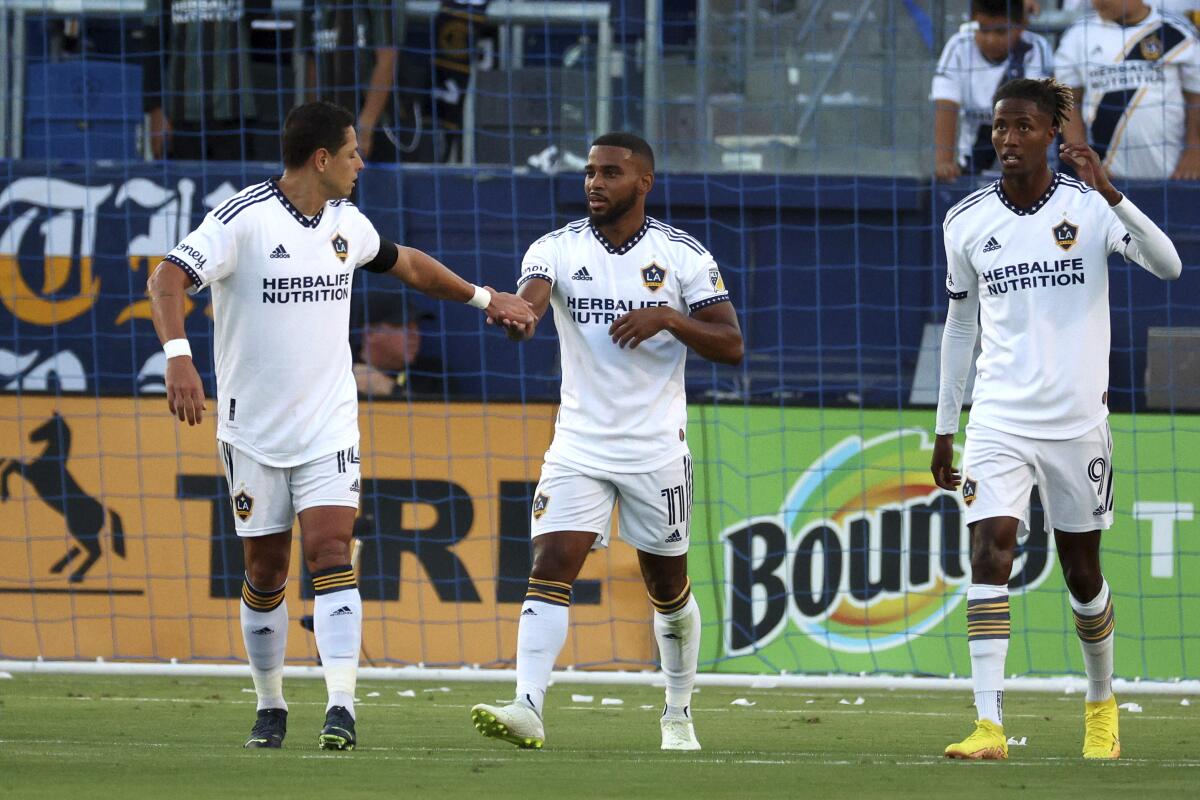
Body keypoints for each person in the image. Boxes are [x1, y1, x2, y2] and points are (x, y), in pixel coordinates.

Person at [147, 101, 532, 750]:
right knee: (266, 570)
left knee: (331, 554)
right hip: (253, 431)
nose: (362, 162)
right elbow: (166, 279)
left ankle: (342, 708)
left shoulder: (345, 223)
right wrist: (179, 360)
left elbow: (408, 264)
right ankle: (270, 705)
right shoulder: (243, 219)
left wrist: (486, 298)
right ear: (321, 159)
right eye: (353, 151)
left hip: (330, 427)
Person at [931, 77, 1181, 761]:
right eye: (998, 128)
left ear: (1051, 133)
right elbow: (960, 329)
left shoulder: (1090, 209)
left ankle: (1102, 705)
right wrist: (945, 427)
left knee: (1081, 573)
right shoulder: (967, 220)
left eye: (1022, 127)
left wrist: (1111, 192)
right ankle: (988, 724)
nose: (1007, 139)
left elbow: (1170, 266)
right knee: (989, 551)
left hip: (1077, 425)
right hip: (999, 420)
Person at [468, 133, 744, 752]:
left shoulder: (683, 257)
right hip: (578, 446)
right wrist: (520, 318)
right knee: (550, 565)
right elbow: (533, 302)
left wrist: (669, 317)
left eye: (610, 173)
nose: (595, 182)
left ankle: (677, 712)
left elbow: (732, 344)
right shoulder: (556, 248)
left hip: (656, 450)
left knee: (667, 588)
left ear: (643, 182)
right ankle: (527, 706)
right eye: (590, 172)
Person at [1055, 0, 1200, 180]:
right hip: (1107, 178)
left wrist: (1195, 150)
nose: (1097, 2)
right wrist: (1082, 160)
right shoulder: (1077, 35)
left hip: (1171, 174)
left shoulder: (1177, 32)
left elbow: (1196, 96)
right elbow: (1067, 103)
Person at [140, 0, 293, 161]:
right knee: (184, 183)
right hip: (181, 115)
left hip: (233, 112)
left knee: (235, 184)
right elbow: (152, 44)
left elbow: (261, 7)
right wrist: (155, 111)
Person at [933, 0, 1054, 181]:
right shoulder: (959, 47)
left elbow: (1039, 112)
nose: (990, 39)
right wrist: (944, 162)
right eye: (983, 29)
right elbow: (946, 106)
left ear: (1021, 27)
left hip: (1029, 161)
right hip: (973, 163)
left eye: (1000, 32)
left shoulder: (1036, 48)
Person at [302, 0, 405, 163]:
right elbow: (312, 64)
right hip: (329, 120)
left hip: (378, 122)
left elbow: (387, 58)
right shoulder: (313, 4)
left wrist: (366, 125)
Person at [353, 293, 448, 398]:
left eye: (416, 326)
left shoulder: (434, 375)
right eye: (402, 326)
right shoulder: (343, 370)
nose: (415, 334)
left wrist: (392, 389)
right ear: (370, 333)